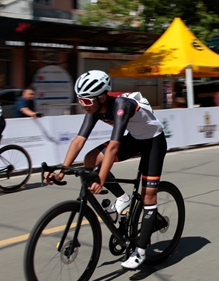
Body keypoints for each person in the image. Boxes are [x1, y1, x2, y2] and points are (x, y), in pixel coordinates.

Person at [45, 70, 167, 270]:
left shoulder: (121, 105)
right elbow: (78, 141)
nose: (83, 105)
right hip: (135, 139)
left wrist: (100, 178)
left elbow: (113, 147)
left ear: (101, 97)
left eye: (86, 101)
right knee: (90, 159)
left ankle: (140, 251)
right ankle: (123, 198)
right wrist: (62, 171)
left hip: (153, 142)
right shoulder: (94, 109)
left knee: (148, 195)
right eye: (80, 100)